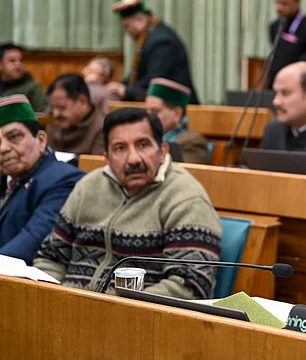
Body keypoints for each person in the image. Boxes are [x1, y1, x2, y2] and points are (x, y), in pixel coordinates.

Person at [34, 107, 222, 299]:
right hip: (65, 308)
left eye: (143, 145)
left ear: (162, 151)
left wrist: (111, 308)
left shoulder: (186, 197)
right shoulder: (88, 187)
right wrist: (50, 299)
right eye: (120, 148)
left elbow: (190, 286)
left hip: (137, 314)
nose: (133, 159)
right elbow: (51, 258)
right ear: (107, 158)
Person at [0, 95, 84, 264]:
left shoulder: (64, 181)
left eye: (14, 137)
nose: (3, 148)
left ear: (41, 140)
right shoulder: (6, 178)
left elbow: (31, 243)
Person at [106, 0, 199, 104]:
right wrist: (120, 86)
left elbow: (154, 81)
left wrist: (126, 91)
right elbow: (136, 77)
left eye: (127, 26)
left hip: (176, 108)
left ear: (140, 20)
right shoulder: (149, 38)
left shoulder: (162, 42)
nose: (126, 32)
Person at [145, 78, 209, 164]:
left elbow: (186, 171)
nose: (149, 117)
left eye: (155, 111)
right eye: (147, 111)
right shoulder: (146, 136)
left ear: (176, 114)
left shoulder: (192, 142)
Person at [46, 73, 105, 155]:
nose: (55, 114)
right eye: (53, 108)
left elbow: (95, 162)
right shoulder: (53, 125)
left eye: (61, 107)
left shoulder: (102, 128)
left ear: (82, 102)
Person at [0, 43, 48, 112]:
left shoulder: (33, 87)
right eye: (12, 61)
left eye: (21, 61)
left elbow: (42, 114)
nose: (18, 65)